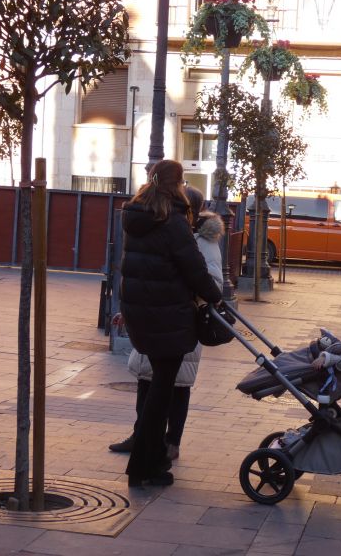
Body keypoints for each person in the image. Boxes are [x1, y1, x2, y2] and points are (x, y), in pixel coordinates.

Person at [119, 161, 223, 487]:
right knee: (161, 393)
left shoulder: (137, 217)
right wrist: (214, 296)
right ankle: (143, 467)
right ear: (178, 183)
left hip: (142, 315)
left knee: (158, 389)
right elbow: (194, 269)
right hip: (169, 317)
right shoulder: (173, 221)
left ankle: (152, 460)